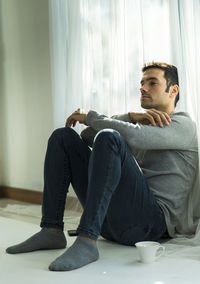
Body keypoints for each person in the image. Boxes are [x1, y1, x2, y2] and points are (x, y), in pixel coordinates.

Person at [6, 62, 198, 271]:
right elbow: (88, 135)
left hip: (150, 226)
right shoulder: (140, 124)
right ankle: (51, 230)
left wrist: (90, 117)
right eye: (142, 83)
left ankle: (87, 240)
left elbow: (129, 136)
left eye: (152, 82)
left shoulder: (183, 124)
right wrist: (132, 116)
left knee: (110, 137)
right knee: (63, 137)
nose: (143, 87)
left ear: (173, 90)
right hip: (113, 223)